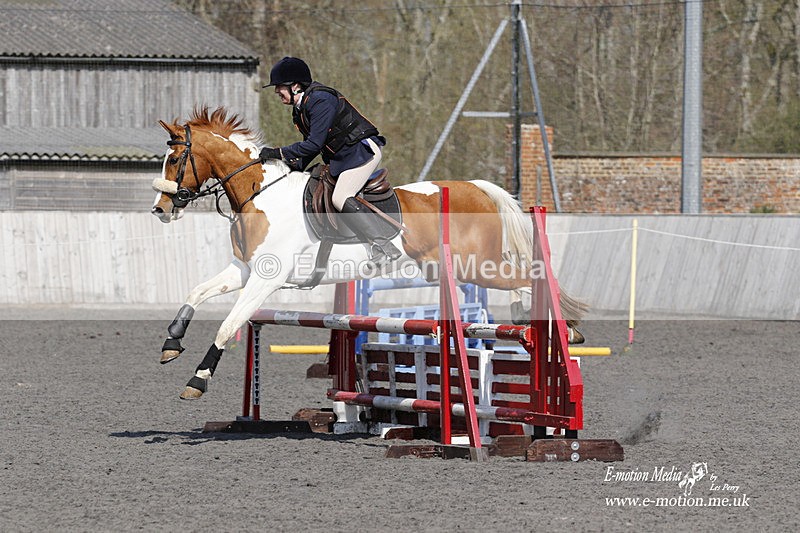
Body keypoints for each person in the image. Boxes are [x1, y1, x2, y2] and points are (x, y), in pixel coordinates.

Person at [259, 56, 400, 268]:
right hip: (343, 156)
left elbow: (313, 144)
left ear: (295, 86)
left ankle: (384, 246)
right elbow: (312, 146)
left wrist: (278, 153)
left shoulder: (320, 100)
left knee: (340, 197)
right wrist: (293, 168)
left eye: (280, 86)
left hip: (362, 151)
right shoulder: (300, 109)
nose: (277, 91)